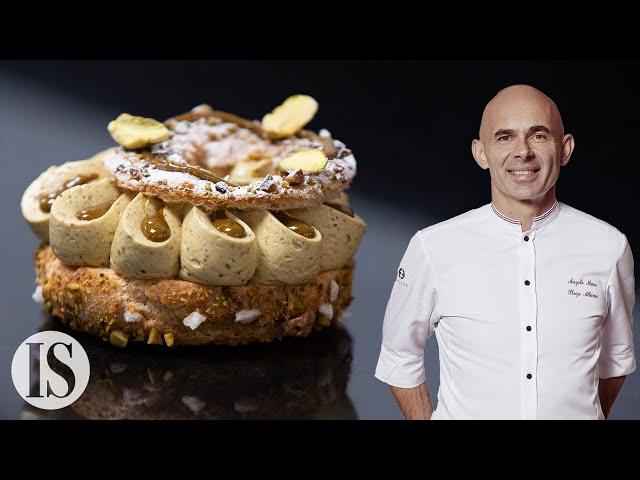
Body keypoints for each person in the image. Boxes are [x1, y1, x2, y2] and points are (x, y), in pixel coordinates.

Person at [375, 84, 636, 420]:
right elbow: (399, 356)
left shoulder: (609, 247)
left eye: (539, 136)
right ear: (480, 152)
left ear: (565, 149)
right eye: (504, 137)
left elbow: (615, 357)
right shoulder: (433, 248)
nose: (522, 152)